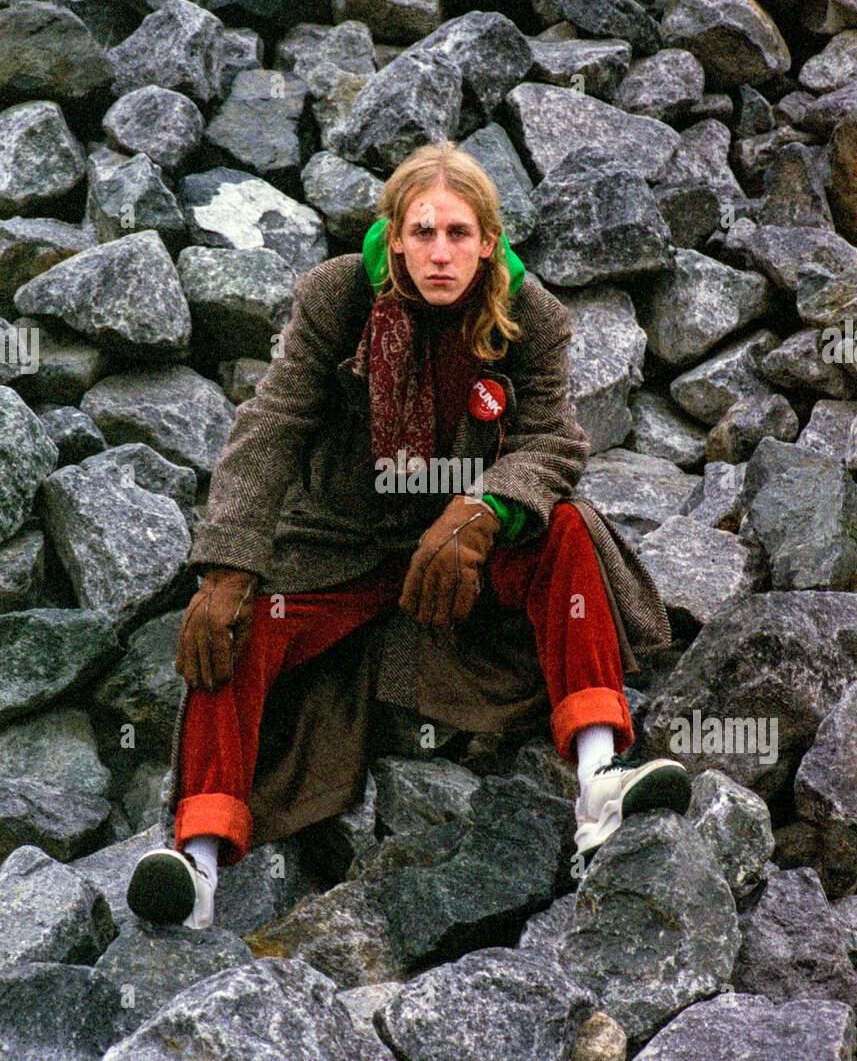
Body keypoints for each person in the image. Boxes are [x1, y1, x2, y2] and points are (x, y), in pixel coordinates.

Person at [126, 140, 690, 929]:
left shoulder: (532, 316)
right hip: (343, 544)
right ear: (392, 236)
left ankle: (599, 781)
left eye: (458, 234)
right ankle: (198, 863)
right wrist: (224, 566)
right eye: (422, 233)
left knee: (565, 529)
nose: (439, 252)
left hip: (457, 559)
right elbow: (273, 425)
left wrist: (479, 512)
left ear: (489, 241)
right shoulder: (335, 298)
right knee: (231, 625)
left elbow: (554, 444)